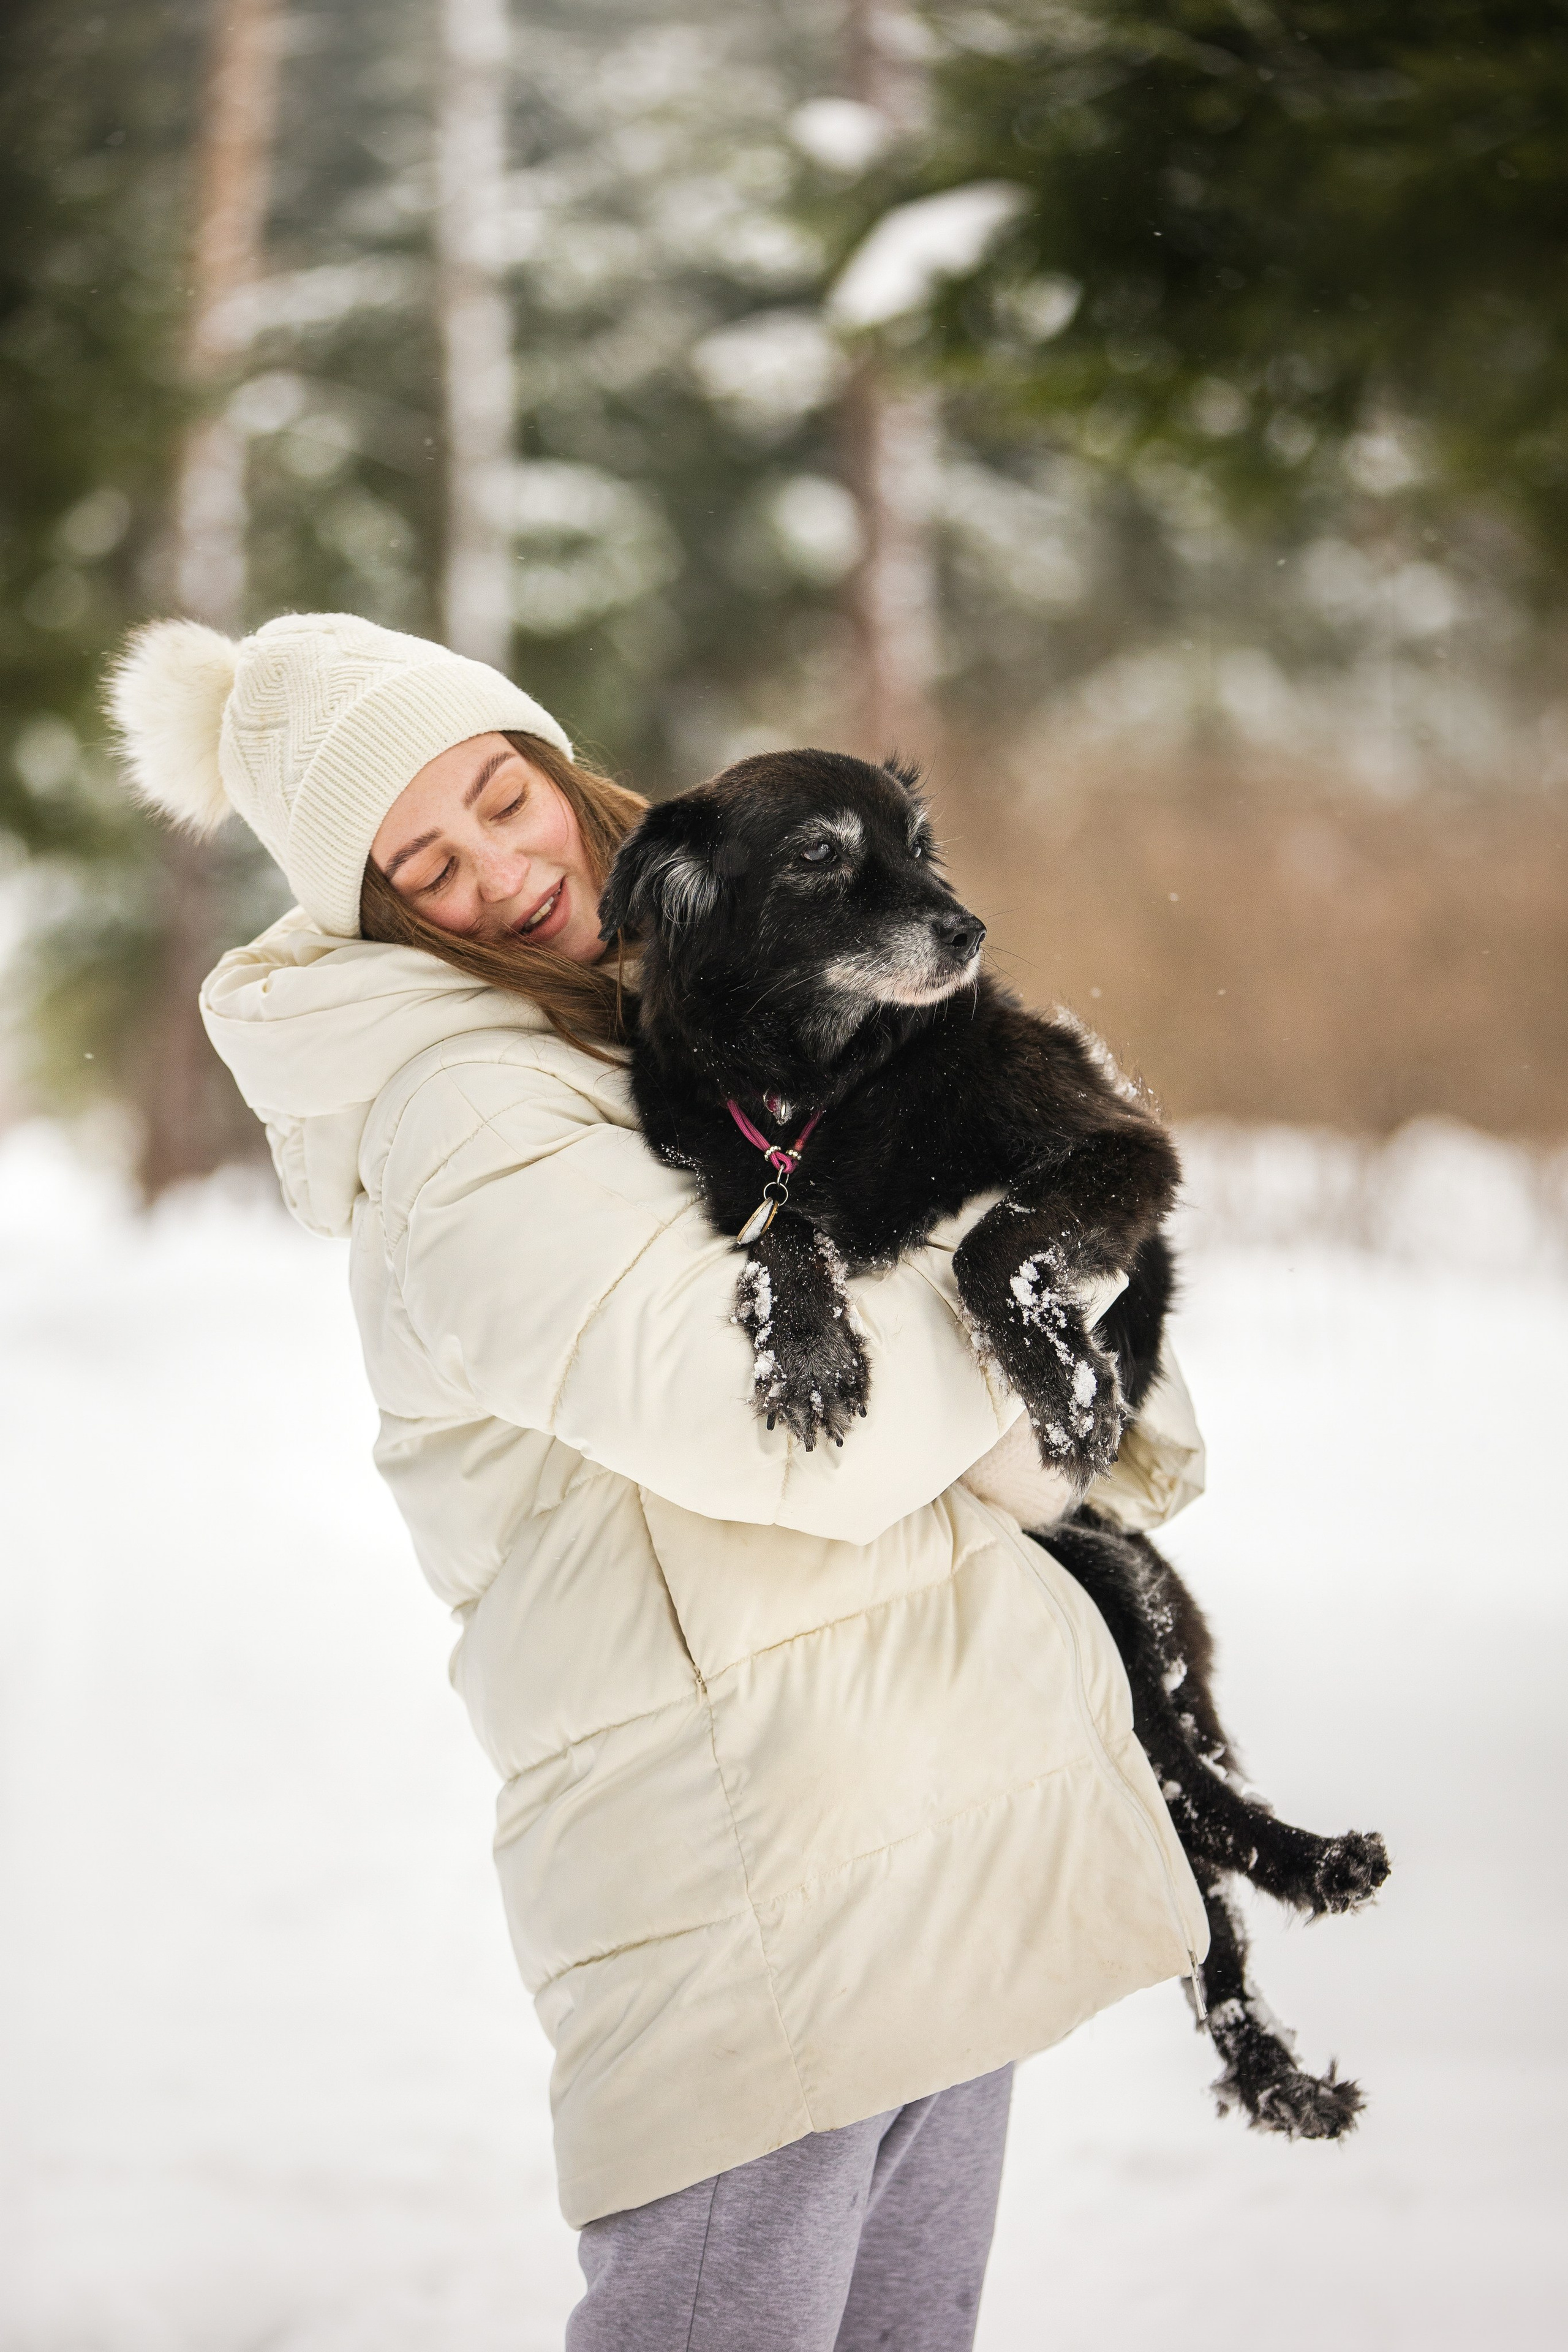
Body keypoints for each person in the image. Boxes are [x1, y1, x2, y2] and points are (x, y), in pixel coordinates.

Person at [108, 610, 1208, 2352]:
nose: (498, 869)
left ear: (554, 766)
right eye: (423, 861)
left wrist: (1053, 1302)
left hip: (913, 1840)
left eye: (499, 796)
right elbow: (797, 1432)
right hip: (746, 1905)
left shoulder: (698, 1021)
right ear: (375, 909)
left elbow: (1008, 1286)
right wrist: (1023, 1312)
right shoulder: (464, 1117)